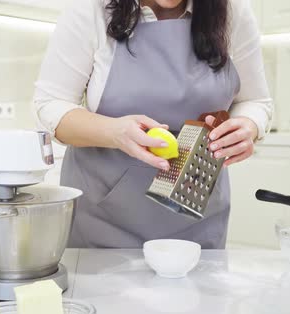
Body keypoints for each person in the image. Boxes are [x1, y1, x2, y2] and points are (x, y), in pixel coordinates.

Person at [33, 0, 273, 249]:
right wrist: (114, 133)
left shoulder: (232, 10)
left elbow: (256, 101)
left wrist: (249, 125)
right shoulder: (92, 8)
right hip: (102, 216)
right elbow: (50, 104)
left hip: (197, 211)